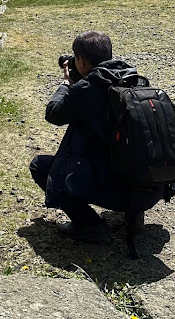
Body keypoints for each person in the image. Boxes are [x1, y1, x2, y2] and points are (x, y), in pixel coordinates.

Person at [29, 31, 166, 245]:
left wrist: (66, 85)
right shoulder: (134, 80)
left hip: (121, 193)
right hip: (154, 186)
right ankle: (135, 214)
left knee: (40, 166)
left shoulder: (86, 90)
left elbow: (53, 114)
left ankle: (88, 226)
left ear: (81, 61)